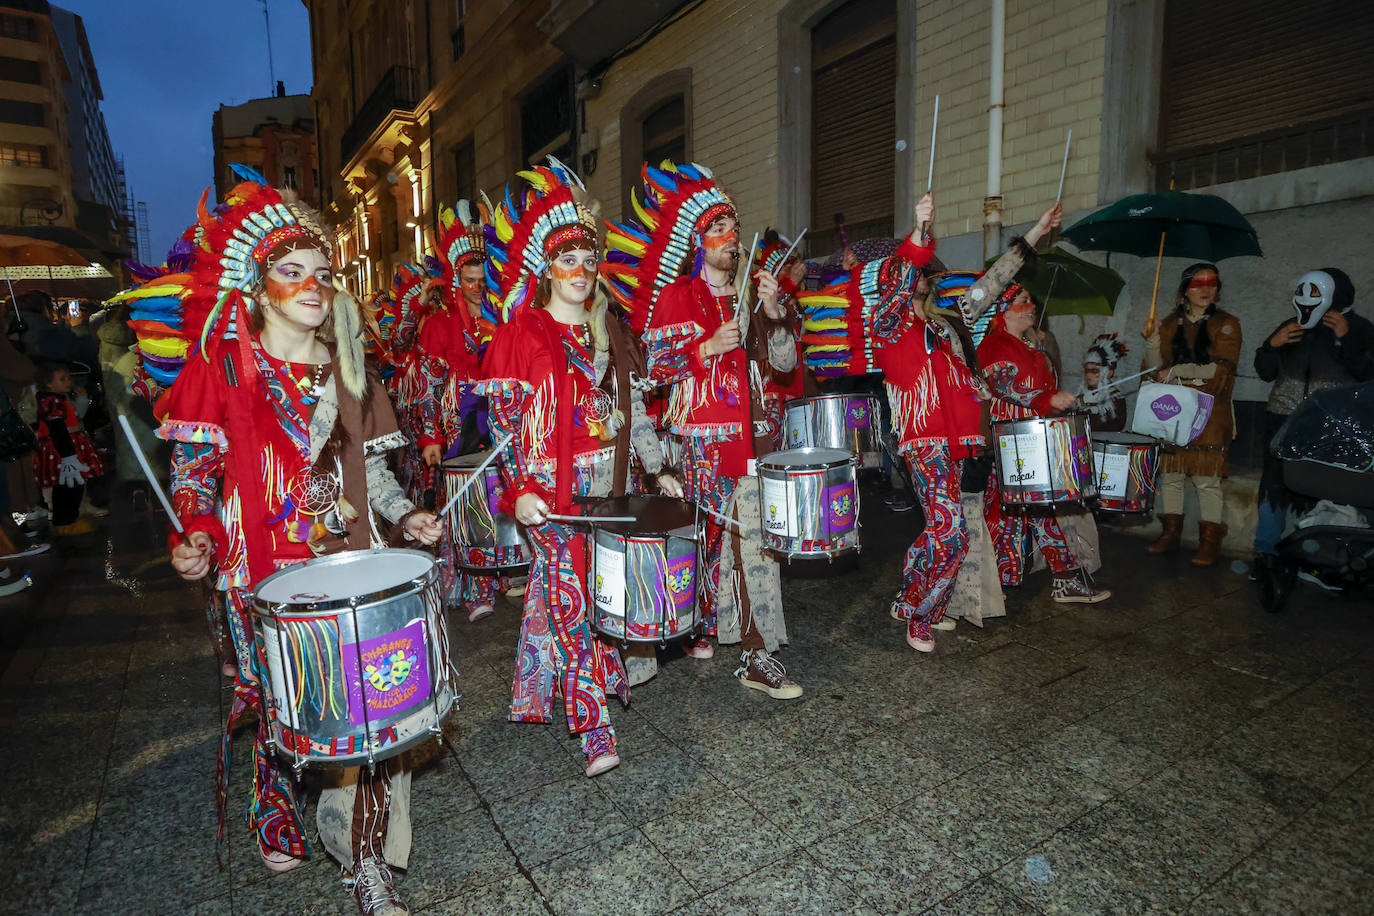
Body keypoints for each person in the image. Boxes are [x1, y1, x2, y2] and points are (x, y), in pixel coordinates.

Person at [136, 167, 439, 916]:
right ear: (255, 283)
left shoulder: (355, 374)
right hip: (257, 579)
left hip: (350, 574)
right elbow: (195, 478)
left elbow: (380, 478)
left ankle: (364, 860)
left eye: (323, 274)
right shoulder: (223, 371)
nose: (313, 286)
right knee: (277, 710)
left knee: (365, 715)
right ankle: (272, 804)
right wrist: (198, 537)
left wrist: (406, 520)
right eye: (291, 271)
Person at [480, 158, 681, 775]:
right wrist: (516, 491)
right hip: (549, 491)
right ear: (546, 267)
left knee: (586, 594)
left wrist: (658, 468)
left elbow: (637, 416)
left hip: (610, 486)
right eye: (569, 259)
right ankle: (595, 728)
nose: (582, 271)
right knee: (570, 595)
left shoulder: (612, 332)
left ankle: (547, 688)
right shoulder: (521, 334)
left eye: (590, 261)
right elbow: (504, 426)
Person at [604, 160, 802, 697]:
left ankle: (759, 653)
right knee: (709, 540)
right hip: (702, 443)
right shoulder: (677, 298)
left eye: (733, 231)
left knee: (755, 546)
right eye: (717, 231)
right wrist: (706, 347)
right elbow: (656, 368)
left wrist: (774, 311)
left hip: (755, 440)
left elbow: (783, 366)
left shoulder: (752, 298)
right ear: (698, 241)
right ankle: (707, 622)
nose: (729, 240)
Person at [976, 286, 1111, 603]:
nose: (1031, 306)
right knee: (1012, 510)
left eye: (1030, 301)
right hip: (1010, 443)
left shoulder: (1029, 345)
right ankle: (1000, 581)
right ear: (1004, 311)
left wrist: (1056, 400)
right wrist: (1047, 398)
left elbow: (1040, 389)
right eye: (1023, 302)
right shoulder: (995, 345)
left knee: (1025, 509)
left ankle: (1005, 580)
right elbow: (1004, 386)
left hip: (1031, 441)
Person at [1251, 268, 1374, 573]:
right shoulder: (1291, 326)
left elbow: (1368, 374)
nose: (1309, 297)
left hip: (1333, 427)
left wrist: (1347, 340)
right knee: (1274, 487)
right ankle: (1265, 556)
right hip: (1282, 418)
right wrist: (1272, 345)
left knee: (1332, 489)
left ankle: (1328, 560)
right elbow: (1265, 370)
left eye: (1317, 291)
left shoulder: (1360, 328)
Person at [1143, 263, 1242, 566]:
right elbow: (1153, 369)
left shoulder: (1227, 323)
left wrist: (1179, 370)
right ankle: (1170, 534)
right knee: (1171, 475)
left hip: (1209, 411)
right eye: (1198, 284)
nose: (1206, 289)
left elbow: (1222, 367)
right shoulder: (1171, 322)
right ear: (1185, 290)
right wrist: (1151, 341)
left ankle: (1209, 542)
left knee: (1206, 480)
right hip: (1173, 408)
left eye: (1211, 283)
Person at [33, 361, 103, 536]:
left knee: (73, 485)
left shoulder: (58, 399)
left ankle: (71, 518)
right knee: (65, 486)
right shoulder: (51, 401)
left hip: (69, 446)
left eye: (68, 378)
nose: (68, 382)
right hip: (62, 450)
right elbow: (56, 428)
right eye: (62, 379)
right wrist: (67, 455)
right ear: (49, 383)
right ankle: (65, 522)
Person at [1079, 333, 1129, 432]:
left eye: (1095, 371)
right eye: (1087, 370)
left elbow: (1115, 424)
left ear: (1109, 372)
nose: (1089, 375)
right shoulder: (1081, 395)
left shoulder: (1115, 397)